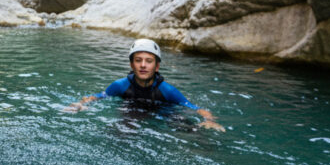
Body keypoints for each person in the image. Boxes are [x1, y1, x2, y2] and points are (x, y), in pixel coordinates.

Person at [65, 39, 225, 131]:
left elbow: (195, 108)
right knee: (122, 131)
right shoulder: (120, 85)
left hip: (164, 111)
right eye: (138, 60)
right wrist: (79, 104)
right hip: (133, 109)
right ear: (132, 65)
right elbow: (99, 96)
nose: (143, 65)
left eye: (148, 61)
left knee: (191, 131)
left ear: (157, 67)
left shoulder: (167, 90)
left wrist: (209, 120)